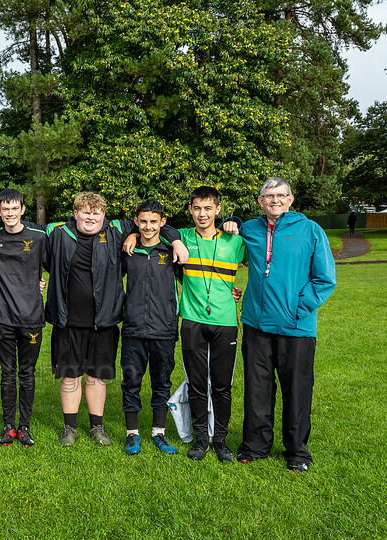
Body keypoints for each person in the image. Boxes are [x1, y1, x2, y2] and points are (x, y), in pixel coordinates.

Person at [43, 193, 187, 448]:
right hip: (67, 320)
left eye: (96, 213)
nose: (90, 217)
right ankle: (69, 427)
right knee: (70, 376)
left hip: (105, 319)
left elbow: (154, 225)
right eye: (85, 212)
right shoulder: (57, 232)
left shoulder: (116, 229)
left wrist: (175, 242)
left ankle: (97, 426)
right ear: (75, 213)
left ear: (103, 215)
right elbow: (21, 227)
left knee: (96, 376)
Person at [223, 177, 336, 472]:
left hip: (296, 327)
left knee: (297, 389)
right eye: (268, 195)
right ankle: (255, 445)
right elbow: (229, 235)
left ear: (290, 199)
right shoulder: (251, 229)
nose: (274, 200)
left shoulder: (310, 230)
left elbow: (325, 278)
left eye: (280, 195)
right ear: (260, 201)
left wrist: (298, 308)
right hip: (256, 326)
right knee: (257, 388)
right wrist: (231, 220)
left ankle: (297, 451)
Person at [173, 186, 246, 462]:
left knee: (222, 385)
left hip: (225, 321)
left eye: (207, 208)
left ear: (217, 209)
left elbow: (265, 264)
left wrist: (236, 222)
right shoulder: (181, 236)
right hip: (192, 321)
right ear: (190, 210)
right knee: (196, 383)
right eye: (196, 208)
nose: (202, 214)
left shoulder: (235, 241)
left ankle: (221, 440)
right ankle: (201, 439)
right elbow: (156, 230)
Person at [0, 189, 48, 447]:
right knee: (8, 373)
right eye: (4, 210)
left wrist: (40, 282)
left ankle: (25, 427)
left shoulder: (39, 237)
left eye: (14, 209)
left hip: (31, 316)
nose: (10, 213)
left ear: (23, 210)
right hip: (1, 317)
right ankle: (9, 426)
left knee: (27, 373)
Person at [119, 199, 180, 456]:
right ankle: (132, 434)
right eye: (142, 221)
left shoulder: (172, 251)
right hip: (133, 327)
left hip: (164, 328)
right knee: (131, 380)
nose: (148, 226)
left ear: (162, 223)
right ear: (136, 221)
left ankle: (159, 432)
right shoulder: (127, 250)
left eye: (154, 222)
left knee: (161, 382)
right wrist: (131, 235)